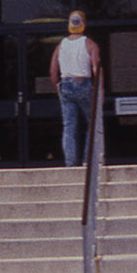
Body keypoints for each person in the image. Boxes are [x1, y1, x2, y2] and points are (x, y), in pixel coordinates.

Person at [49, 10, 102, 167]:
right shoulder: (90, 44)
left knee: (69, 126)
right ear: (84, 24)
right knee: (92, 123)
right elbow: (96, 69)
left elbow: (52, 71)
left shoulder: (61, 45)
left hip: (65, 84)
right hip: (83, 83)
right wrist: (100, 91)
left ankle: (70, 163)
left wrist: (58, 88)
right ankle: (88, 160)